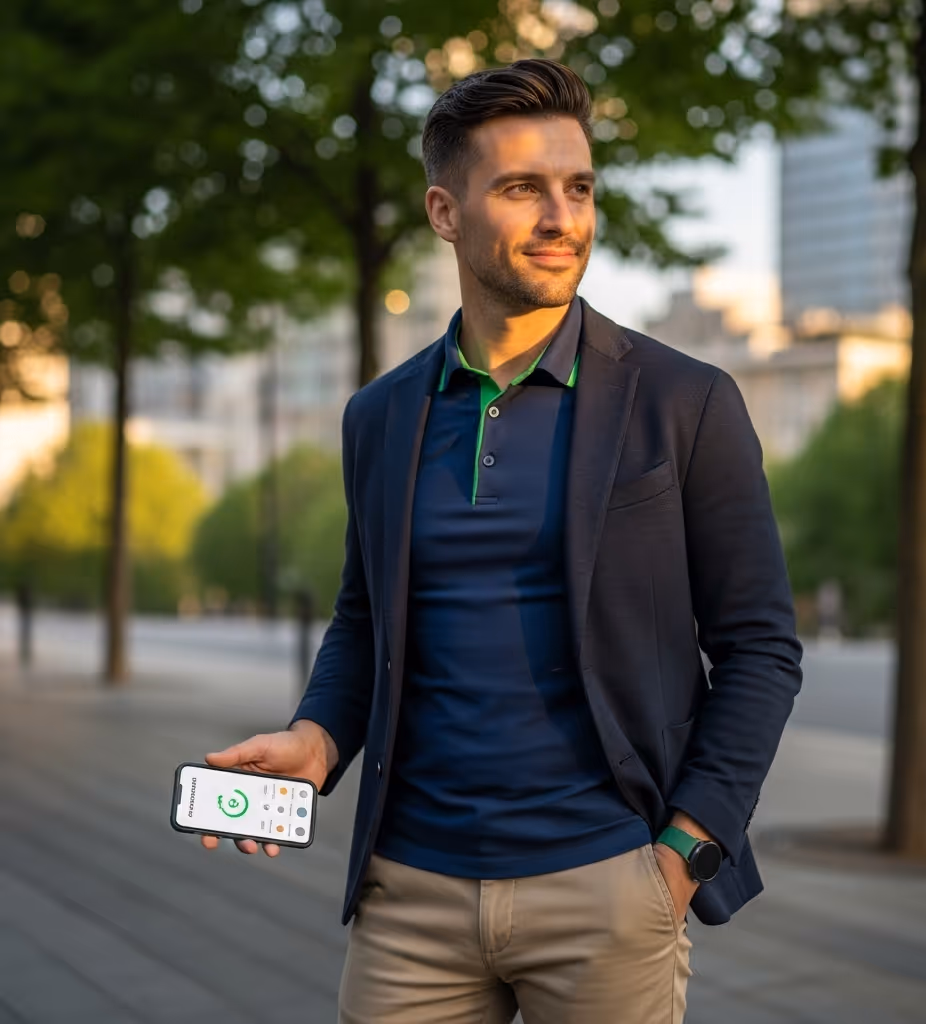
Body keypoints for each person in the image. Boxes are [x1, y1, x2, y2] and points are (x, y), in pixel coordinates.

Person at [202, 58, 803, 1024]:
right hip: (409, 895)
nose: (562, 218)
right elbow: (365, 619)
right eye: (523, 189)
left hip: (609, 890)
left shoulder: (685, 402)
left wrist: (684, 854)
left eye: (579, 188)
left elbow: (761, 646)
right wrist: (317, 738)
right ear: (445, 212)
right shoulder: (379, 416)